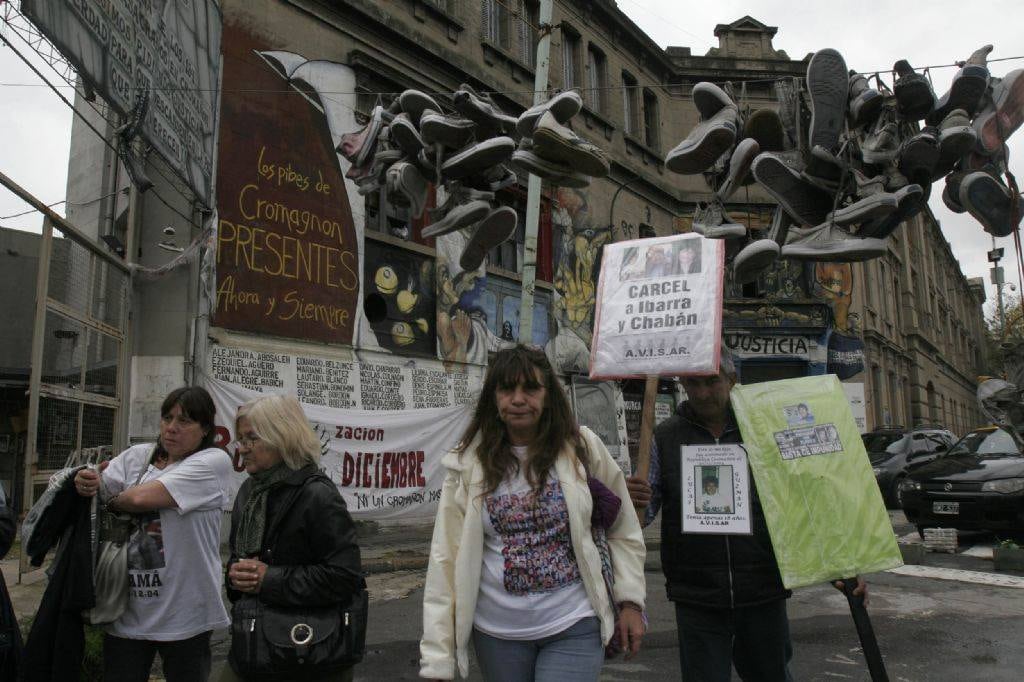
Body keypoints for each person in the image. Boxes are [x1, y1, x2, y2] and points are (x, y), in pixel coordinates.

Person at [626, 351, 866, 681]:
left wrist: (843, 565)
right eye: (693, 383)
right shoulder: (665, 437)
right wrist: (631, 501)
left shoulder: (765, 428)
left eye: (712, 382)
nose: (703, 393)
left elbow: (808, 498)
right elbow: (642, 515)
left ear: (732, 380)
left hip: (763, 589)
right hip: (697, 596)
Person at [420, 345, 646, 681]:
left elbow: (623, 529)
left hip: (575, 624)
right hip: (496, 636)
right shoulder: (468, 464)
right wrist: (437, 659)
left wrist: (630, 601)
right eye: (507, 389)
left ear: (548, 395)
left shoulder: (581, 447)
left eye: (530, 388)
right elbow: (445, 562)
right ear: (493, 400)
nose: (518, 399)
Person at [73, 386, 233, 682]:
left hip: (187, 616)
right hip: (127, 611)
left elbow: (137, 500)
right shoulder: (138, 456)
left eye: (184, 421)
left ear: (205, 428)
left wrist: (113, 499)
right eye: (167, 418)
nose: (171, 428)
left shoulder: (213, 462)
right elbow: (100, 485)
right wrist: (87, 480)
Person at [223, 394, 363, 681]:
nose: (243, 449)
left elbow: (345, 577)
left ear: (281, 437)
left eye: (252, 439)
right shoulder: (250, 493)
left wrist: (268, 579)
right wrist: (236, 576)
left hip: (311, 651)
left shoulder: (318, 495)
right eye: (240, 439)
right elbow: (240, 564)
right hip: (254, 643)